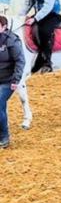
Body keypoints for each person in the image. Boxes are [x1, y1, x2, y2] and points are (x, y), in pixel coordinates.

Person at [20, 0, 61, 74]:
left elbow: (48, 5)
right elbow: (28, 3)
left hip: (52, 14)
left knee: (44, 31)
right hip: (40, 13)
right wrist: (19, 16)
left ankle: (47, 61)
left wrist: (35, 18)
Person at [0, 15, 25, 149]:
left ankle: (4, 136)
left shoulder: (12, 41)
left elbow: (20, 61)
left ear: (4, 27)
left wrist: (16, 79)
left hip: (8, 81)